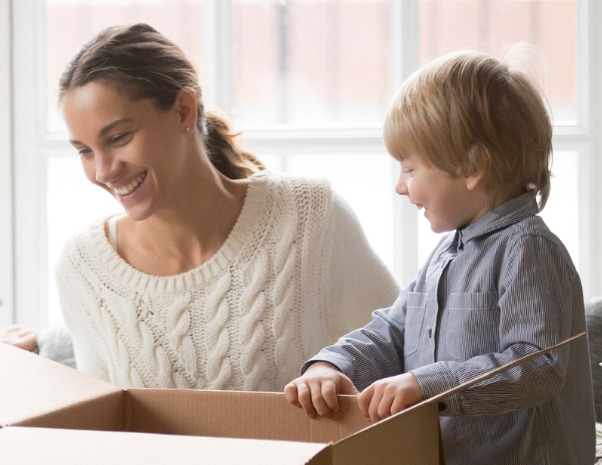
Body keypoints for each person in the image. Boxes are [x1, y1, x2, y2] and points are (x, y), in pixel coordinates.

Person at [51, 23, 399, 391]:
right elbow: (99, 426)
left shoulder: (308, 216)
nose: (103, 171)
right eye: (85, 151)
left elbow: (402, 354)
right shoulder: (84, 266)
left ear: (184, 111)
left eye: (118, 137)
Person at [285, 50, 593, 465]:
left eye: (410, 170)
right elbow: (394, 329)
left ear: (473, 167)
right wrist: (332, 364)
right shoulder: (446, 254)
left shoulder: (528, 248)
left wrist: (428, 384)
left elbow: (538, 366)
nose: (400, 186)